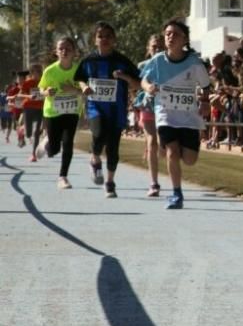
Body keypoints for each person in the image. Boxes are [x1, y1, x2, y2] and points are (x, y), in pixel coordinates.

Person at [140, 19, 211, 209]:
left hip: (188, 117)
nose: (170, 37)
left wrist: (205, 102)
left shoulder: (194, 62)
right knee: (172, 152)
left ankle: (171, 150)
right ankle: (177, 194)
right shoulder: (157, 60)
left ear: (184, 39)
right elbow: (144, 80)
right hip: (165, 114)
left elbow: (205, 86)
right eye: (167, 34)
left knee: (189, 160)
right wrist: (149, 88)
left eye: (175, 34)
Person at [74, 22, 142, 199]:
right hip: (95, 106)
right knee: (98, 135)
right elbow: (79, 79)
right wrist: (83, 87)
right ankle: (95, 160)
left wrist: (124, 77)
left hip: (116, 110)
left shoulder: (122, 61)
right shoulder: (89, 61)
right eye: (100, 36)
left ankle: (110, 182)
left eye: (108, 36)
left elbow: (138, 84)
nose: (104, 39)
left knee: (113, 148)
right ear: (95, 40)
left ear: (114, 40)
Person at [38, 37, 83, 189]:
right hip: (52, 112)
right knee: (54, 149)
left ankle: (63, 177)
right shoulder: (50, 71)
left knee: (68, 142)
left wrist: (74, 90)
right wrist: (46, 92)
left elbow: (85, 91)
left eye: (68, 49)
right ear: (56, 52)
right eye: (61, 49)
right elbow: (41, 89)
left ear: (74, 52)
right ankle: (47, 142)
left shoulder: (79, 70)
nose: (64, 51)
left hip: (72, 111)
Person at [136, 34, 166, 196]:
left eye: (160, 46)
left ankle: (151, 151)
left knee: (163, 145)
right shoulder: (142, 66)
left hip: (166, 109)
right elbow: (137, 85)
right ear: (149, 48)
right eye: (154, 46)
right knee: (152, 142)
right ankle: (154, 183)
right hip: (148, 107)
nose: (157, 49)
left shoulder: (171, 65)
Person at [17, 63, 45, 162]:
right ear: (32, 73)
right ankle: (22, 131)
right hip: (28, 108)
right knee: (29, 134)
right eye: (34, 72)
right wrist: (29, 96)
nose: (37, 74)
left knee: (37, 132)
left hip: (40, 108)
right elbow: (20, 95)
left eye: (38, 72)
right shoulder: (28, 83)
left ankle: (34, 154)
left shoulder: (44, 81)